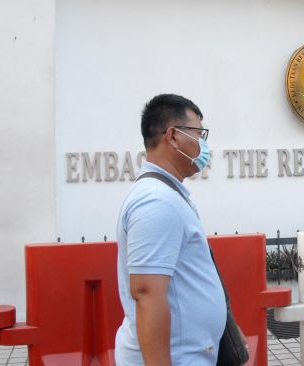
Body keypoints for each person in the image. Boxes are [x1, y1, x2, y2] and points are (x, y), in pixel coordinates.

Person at [115, 94, 227, 365]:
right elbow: (147, 294)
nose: (204, 145)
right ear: (174, 136)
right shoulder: (156, 201)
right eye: (199, 134)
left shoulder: (167, 193)